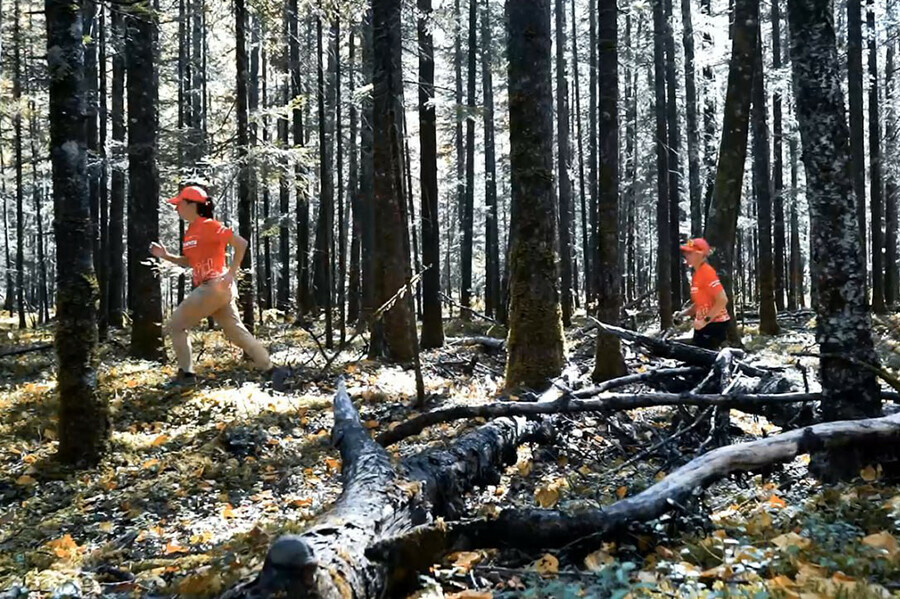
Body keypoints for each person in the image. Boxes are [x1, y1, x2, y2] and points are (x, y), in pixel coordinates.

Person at [149, 185, 289, 390]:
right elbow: (190, 261)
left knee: (176, 326)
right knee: (237, 333)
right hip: (214, 290)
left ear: (192, 205)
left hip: (214, 286)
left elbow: (241, 243)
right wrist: (166, 256)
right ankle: (272, 371)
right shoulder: (190, 232)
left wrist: (231, 273)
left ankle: (187, 376)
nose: (177, 208)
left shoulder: (210, 225)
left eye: (180, 204)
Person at [675, 238, 730, 350]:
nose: (686, 255)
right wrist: (682, 314)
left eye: (690, 253)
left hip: (714, 325)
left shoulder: (707, 272)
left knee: (705, 360)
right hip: (703, 325)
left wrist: (705, 321)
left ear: (700, 255)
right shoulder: (697, 274)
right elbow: (700, 304)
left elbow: (722, 300)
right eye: (686, 252)